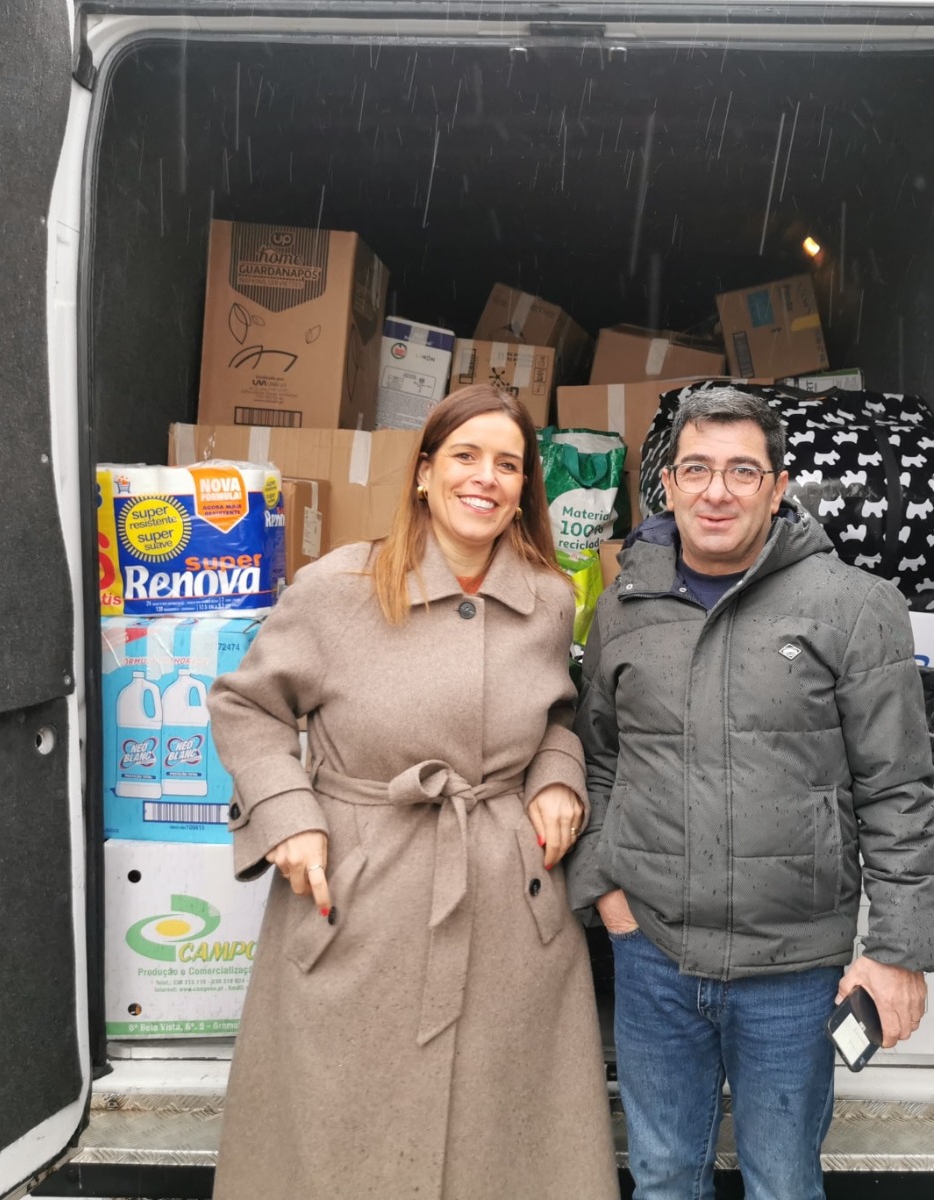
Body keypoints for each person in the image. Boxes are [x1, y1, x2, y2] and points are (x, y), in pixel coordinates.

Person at [208, 384, 619, 1200]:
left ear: (524, 489)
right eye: (466, 456)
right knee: (342, 1147)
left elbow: (556, 717)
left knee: (501, 1149)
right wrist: (288, 817)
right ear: (425, 473)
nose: (486, 478)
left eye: (508, 464)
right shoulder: (339, 587)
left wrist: (557, 777)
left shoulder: (548, 598)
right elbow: (246, 706)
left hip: (509, 910)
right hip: (361, 900)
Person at [565, 386, 934, 1199]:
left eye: (743, 471)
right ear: (668, 486)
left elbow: (898, 792)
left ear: (778, 489)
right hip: (653, 954)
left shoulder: (854, 606)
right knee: (664, 1177)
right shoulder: (625, 610)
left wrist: (898, 951)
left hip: (793, 970)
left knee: (783, 1182)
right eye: (696, 469)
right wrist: (608, 895)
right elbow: (598, 758)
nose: (717, 491)